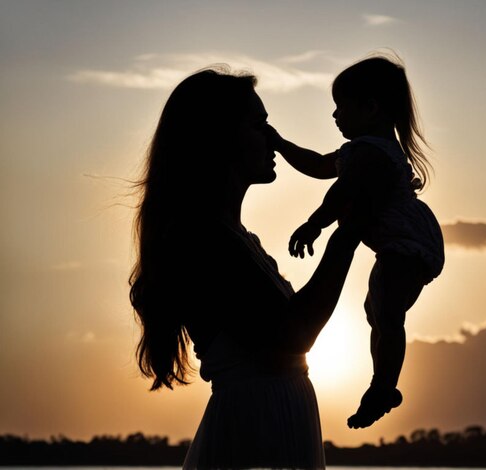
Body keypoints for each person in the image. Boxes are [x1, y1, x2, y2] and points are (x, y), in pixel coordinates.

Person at [128, 67, 361, 469]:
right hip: (255, 432)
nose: (271, 137)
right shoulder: (204, 238)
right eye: (259, 125)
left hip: (267, 424)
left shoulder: (231, 237)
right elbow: (292, 334)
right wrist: (349, 233)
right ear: (219, 138)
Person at [270, 54, 445, 429]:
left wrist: (313, 224)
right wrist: (281, 145)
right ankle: (382, 384)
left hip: (405, 242)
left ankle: (383, 386)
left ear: (370, 108)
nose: (335, 116)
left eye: (341, 107)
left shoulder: (369, 152)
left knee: (388, 314)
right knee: (377, 313)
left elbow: (341, 192)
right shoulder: (364, 149)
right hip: (400, 245)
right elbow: (318, 165)